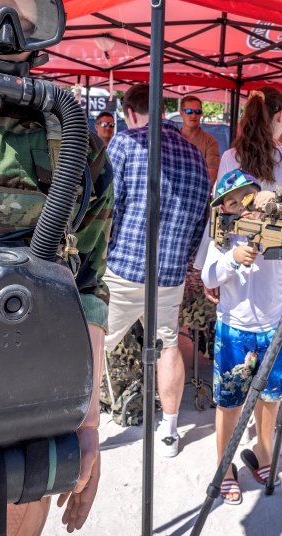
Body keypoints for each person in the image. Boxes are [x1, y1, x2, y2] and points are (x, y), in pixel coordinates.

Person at [0, 0, 113, 533]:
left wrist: (87, 421)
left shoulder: (73, 138)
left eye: (23, 18)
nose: (4, 34)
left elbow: (89, 286)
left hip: (29, 396)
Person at [205, 86, 282, 456]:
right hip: (265, 262)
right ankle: (260, 440)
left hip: (242, 260)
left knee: (267, 364)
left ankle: (263, 441)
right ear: (281, 116)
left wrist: (215, 260)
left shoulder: (232, 155)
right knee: (271, 361)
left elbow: (216, 212)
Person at [105, 83, 210, 457]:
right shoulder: (196, 156)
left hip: (122, 268)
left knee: (93, 345)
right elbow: (202, 222)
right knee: (168, 346)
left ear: (130, 113)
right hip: (170, 274)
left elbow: (105, 211)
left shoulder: (125, 144)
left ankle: (76, 432)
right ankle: (169, 431)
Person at [202, 169, 282, 504]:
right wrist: (233, 258)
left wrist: (278, 210)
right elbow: (209, 274)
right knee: (230, 402)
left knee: (270, 397)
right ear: (223, 210)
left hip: (272, 326)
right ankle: (223, 464)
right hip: (234, 329)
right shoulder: (223, 235)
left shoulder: (272, 228)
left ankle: (263, 450)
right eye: (230, 202)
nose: (238, 205)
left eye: (246, 197)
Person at [179, 95, 220, 185]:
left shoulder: (210, 142)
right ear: (181, 113)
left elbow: (212, 176)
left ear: (201, 114)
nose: (193, 115)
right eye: (189, 111)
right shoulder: (172, 139)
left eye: (197, 111)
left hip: (199, 196)